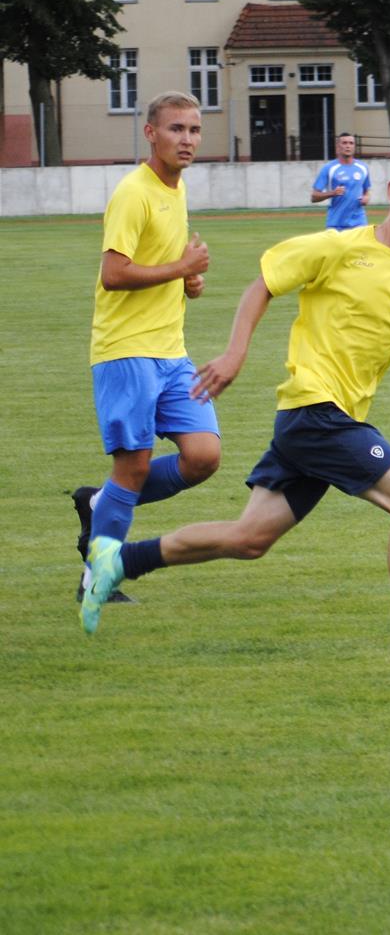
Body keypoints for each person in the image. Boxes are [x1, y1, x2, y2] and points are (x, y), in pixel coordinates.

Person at [78, 145, 390, 681]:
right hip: (314, 409)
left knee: (249, 539)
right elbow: (263, 284)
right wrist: (235, 353)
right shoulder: (337, 248)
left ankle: (117, 562)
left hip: (325, 418)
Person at [71, 91, 218, 607]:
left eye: (195, 130)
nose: (188, 139)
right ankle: (99, 574)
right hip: (126, 351)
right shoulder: (134, 192)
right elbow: (114, 274)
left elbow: (162, 265)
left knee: (203, 457)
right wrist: (180, 269)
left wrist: (186, 282)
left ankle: (101, 501)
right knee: (133, 466)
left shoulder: (175, 190)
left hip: (171, 351)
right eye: (176, 129)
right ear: (151, 133)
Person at [309, 132, 372, 230]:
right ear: (338, 146)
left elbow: (366, 191)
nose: (348, 146)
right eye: (344, 143)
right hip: (336, 224)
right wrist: (333, 193)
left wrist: (366, 198)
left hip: (359, 223)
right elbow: (314, 197)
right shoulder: (329, 168)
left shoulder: (362, 167)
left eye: (351, 143)